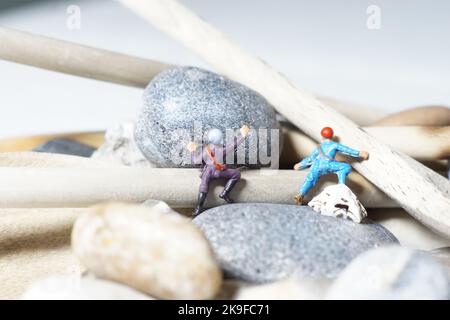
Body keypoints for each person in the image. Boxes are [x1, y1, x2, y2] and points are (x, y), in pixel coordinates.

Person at [293, 126, 369, 205]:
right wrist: (360, 153)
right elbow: (347, 150)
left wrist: (300, 164)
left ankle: (301, 194)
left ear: (322, 136)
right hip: (330, 165)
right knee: (346, 167)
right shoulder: (334, 145)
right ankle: (341, 186)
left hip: (317, 166)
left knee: (310, 178)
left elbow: (311, 158)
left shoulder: (318, 147)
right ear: (332, 136)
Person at [187, 125, 250, 217]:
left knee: (203, 187)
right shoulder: (223, 149)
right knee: (236, 174)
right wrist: (243, 135)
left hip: (208, 172)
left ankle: (198, 209)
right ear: (220, 139)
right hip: (219, 171)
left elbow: (196, 161)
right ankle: (225, 193)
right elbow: (234, 144)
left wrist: (192, 151)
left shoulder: (206, 150)